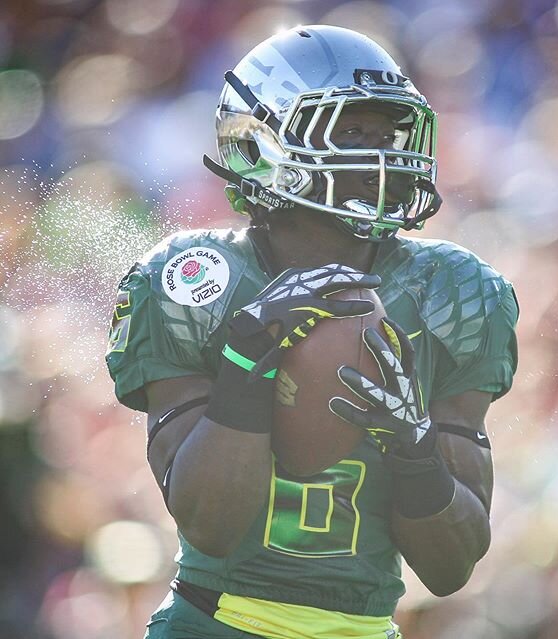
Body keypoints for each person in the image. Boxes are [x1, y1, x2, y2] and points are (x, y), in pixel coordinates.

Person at [106, 25, 518, 639]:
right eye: (351, 130)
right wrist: (248, 365)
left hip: (368, 627)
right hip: (216, 621)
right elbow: (210, 525)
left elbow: (450, 566)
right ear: (261, 140)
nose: (382, 153)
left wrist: (413, 447)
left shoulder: (451, 289)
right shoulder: (198, 279)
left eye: (390, 133)